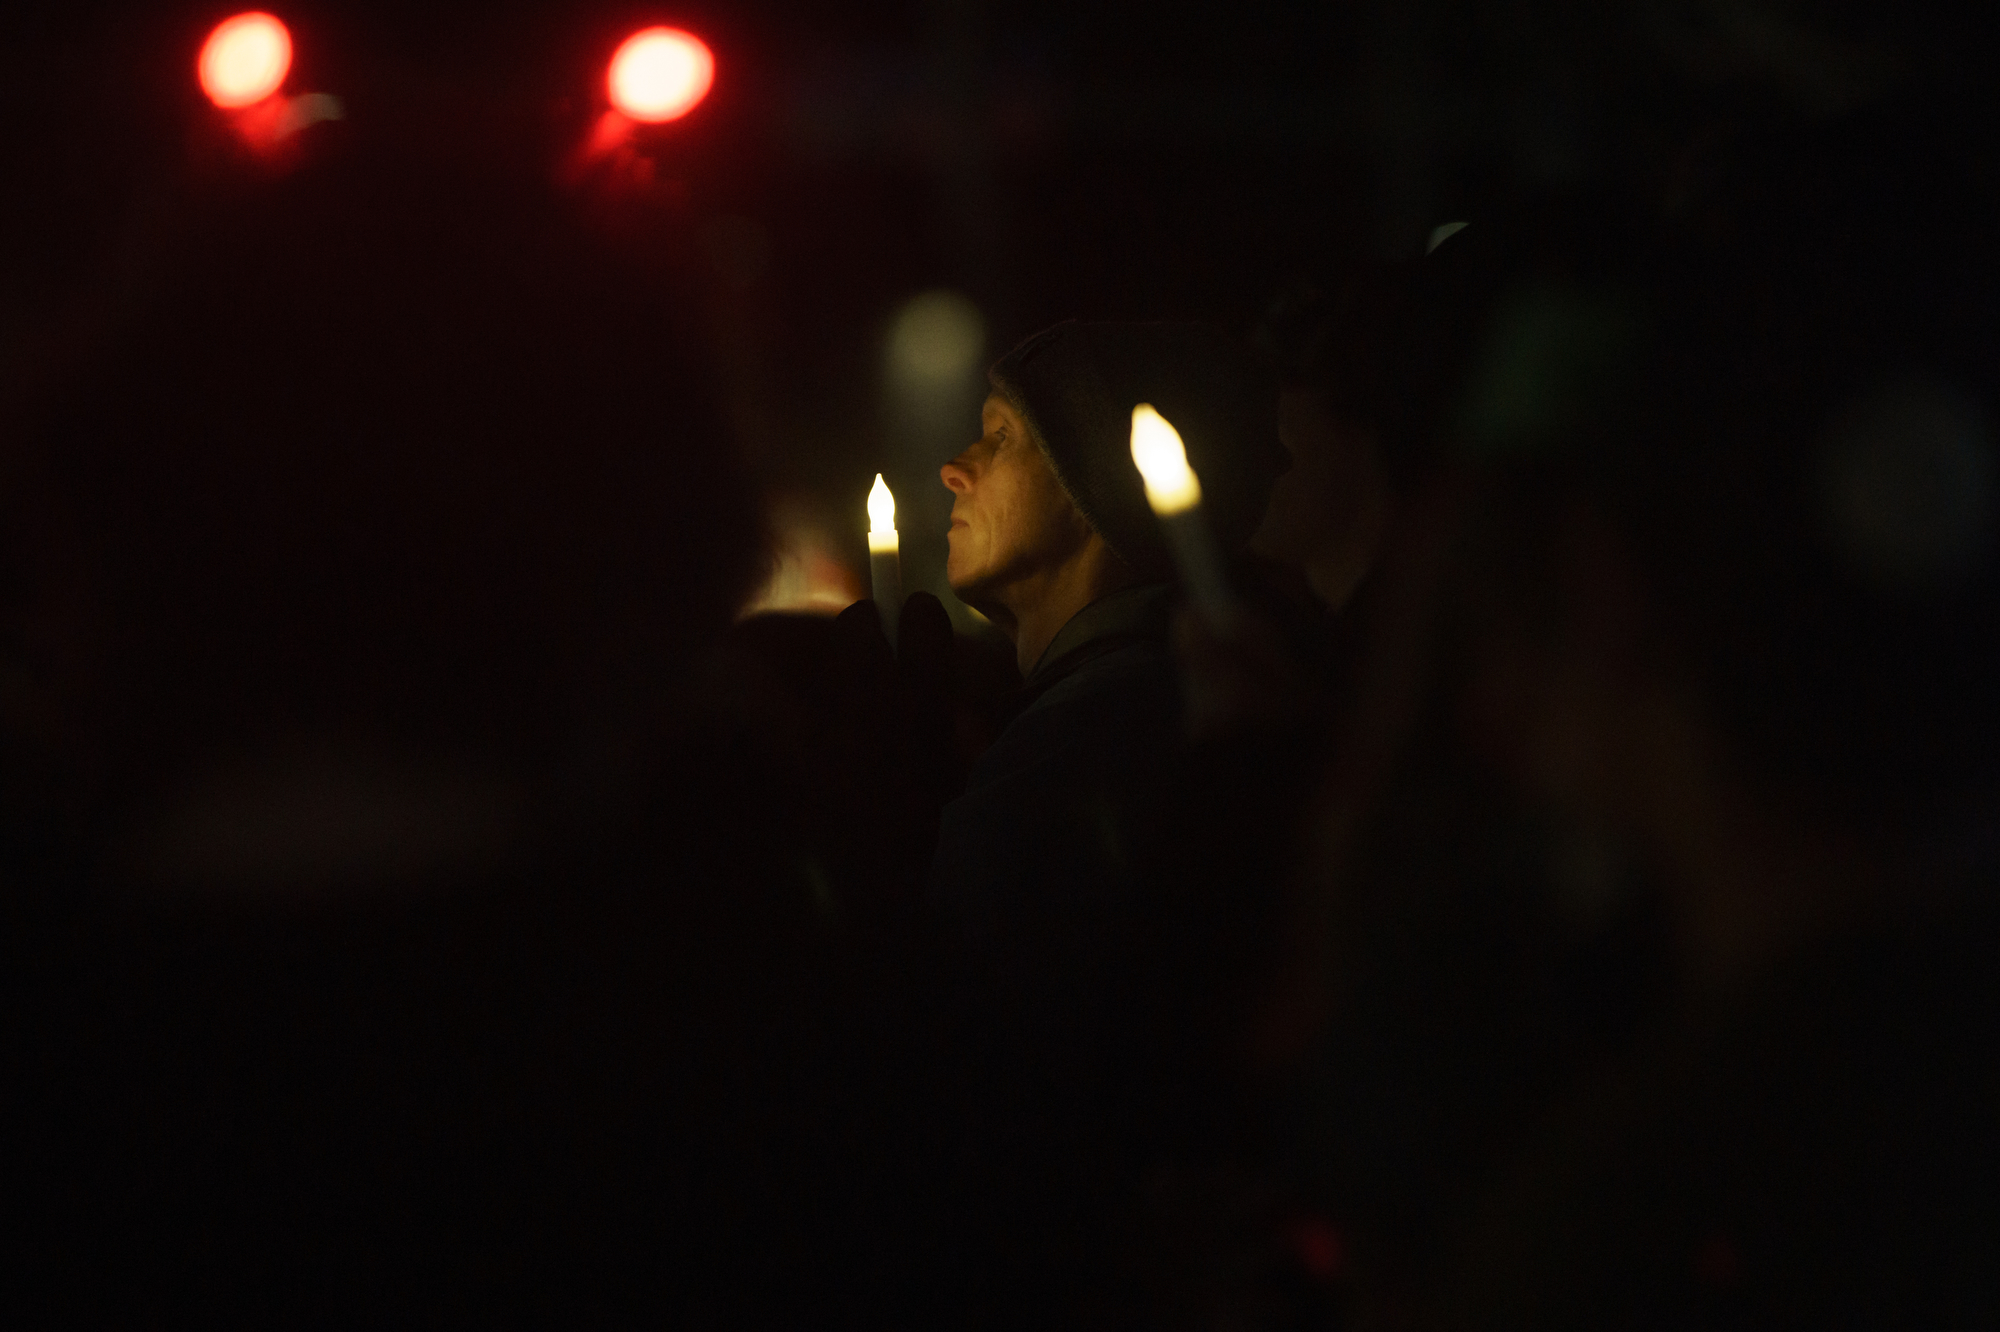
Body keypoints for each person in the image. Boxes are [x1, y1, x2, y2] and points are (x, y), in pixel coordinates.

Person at [922, 319, 1289, 1321]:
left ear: (1096, 493)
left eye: (998, 438)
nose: (952, 470)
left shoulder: (1089, 745)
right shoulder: (1086, 718)